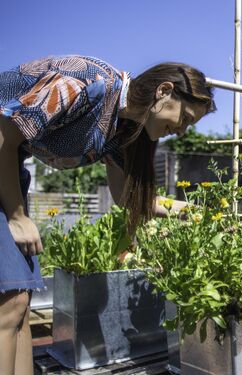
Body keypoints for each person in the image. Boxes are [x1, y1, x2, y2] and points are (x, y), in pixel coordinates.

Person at [0, 54, 215, 374]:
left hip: (10, 172)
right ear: (164, 91)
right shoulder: (88, 83)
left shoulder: (123, 129)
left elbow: (128, 198)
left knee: (21, 307)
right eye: (184, 118)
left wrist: (202, 214)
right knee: (10, 306)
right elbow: (4, 133)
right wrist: (17, 216)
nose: (181, 131)